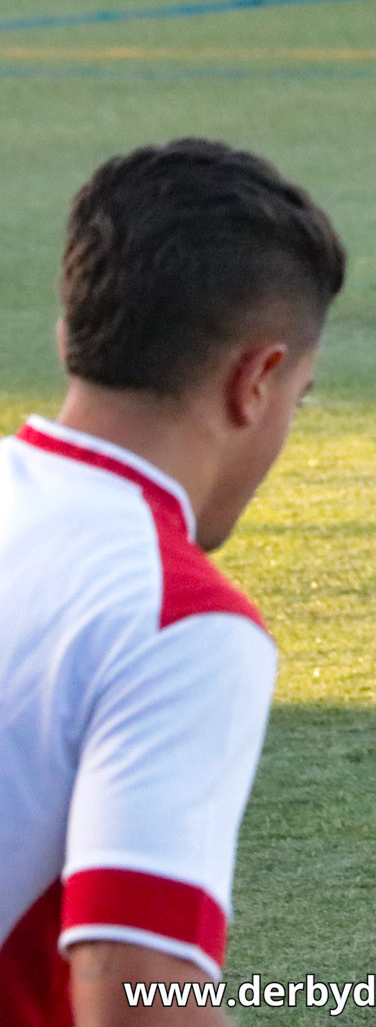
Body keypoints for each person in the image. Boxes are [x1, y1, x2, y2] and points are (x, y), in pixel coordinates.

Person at [0, 139, 346, 1026]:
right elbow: (134, 991)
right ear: (257, 381)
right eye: (298, 398)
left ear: (70, 332)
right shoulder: (179, 620)